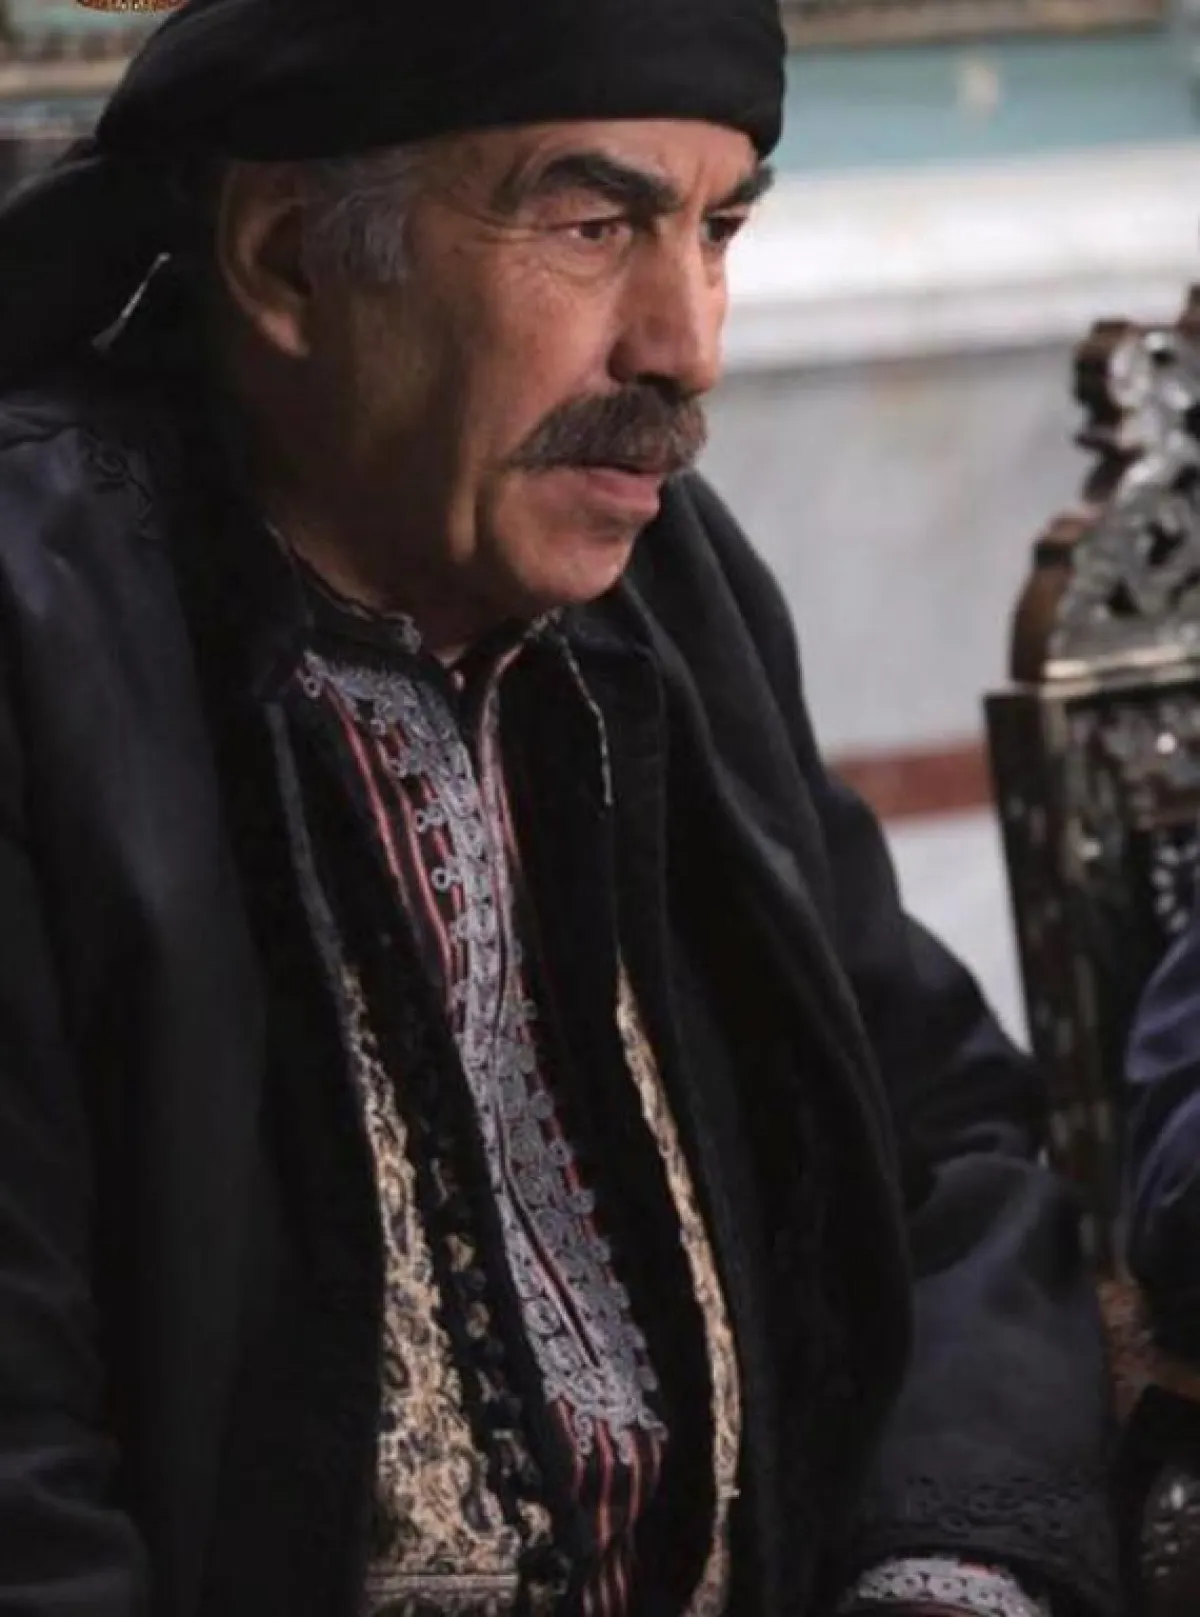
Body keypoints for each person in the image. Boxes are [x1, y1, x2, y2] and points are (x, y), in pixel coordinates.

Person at [0, 1, 1119, 1613]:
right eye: (593, 227)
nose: (686, 345)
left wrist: (944, 1572)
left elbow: (946, 1151)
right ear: (290, 260)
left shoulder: (666, 593)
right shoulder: (46, 639)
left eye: (717, 232)